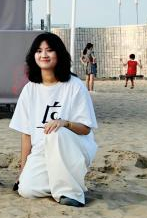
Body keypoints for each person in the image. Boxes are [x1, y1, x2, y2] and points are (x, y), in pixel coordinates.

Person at [10, 33, 97, 207]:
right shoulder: (29, 89)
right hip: (41, 151)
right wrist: (23, 172)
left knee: (55, 132)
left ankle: (71, 193)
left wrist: (65, 123)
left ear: (59, 54)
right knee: (27, 190)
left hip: (71, 148)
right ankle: (60, 183)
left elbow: (86, 128)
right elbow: (26, 135)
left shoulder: (74, 85)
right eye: (39, 51)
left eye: (49, 50)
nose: (43, 55)